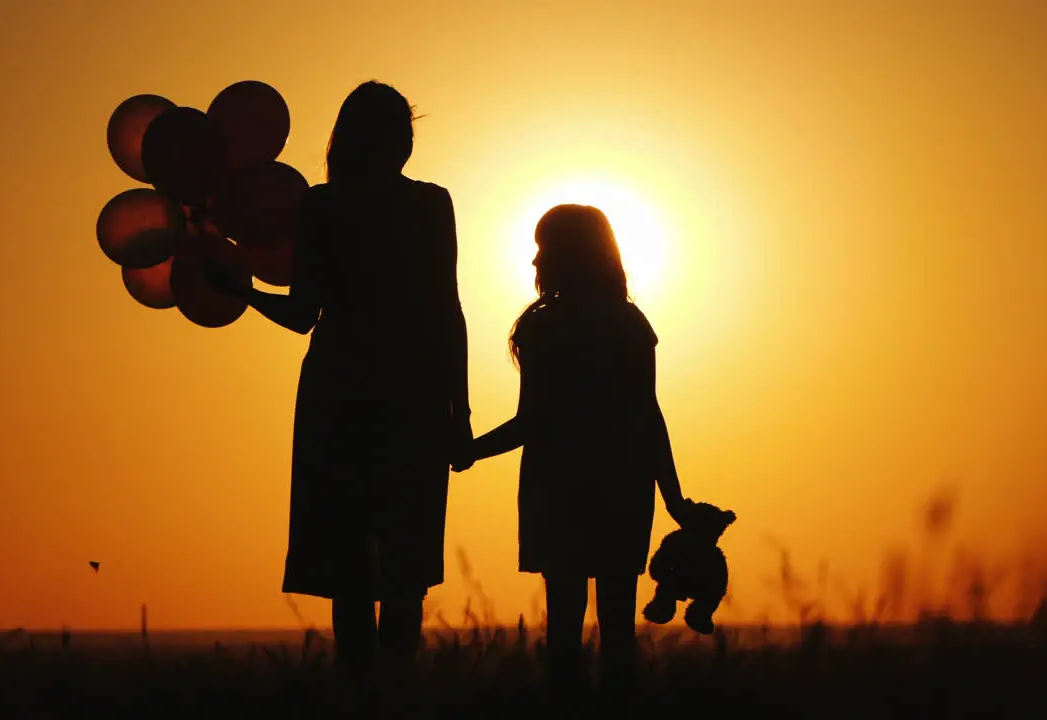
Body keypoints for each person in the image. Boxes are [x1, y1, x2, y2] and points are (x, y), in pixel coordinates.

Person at [205, 81, 471, 678]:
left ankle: (361, 692)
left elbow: (303, 315)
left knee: (350, 565)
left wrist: (244, 294)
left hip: (340, 391)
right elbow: (447, 311)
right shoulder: (431, 204)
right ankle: (396, 691)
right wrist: (462, 411)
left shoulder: (324, 206)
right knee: (405, 558)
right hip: (414, 393)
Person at [454, 204, 691, 699]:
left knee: (563, 623)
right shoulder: (628, 321)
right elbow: (649, 416)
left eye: (543, 250)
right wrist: (674, 499)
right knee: (618, 627)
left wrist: (470, 450)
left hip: (557, 490)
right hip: (623, 486)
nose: (535, 263)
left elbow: (530, 422)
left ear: (569, 255)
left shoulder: (546, 327)